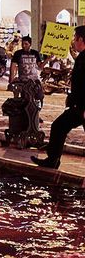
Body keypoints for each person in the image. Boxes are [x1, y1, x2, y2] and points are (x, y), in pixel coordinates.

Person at [33, 26, 85, 169]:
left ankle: (53, 159)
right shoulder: (81, 56)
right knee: (59, 126)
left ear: (81, 39)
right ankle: (53, 159)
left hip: (82, 107)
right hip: (78, 106)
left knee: (59, 126)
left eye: (75, 38)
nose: (73, 41)